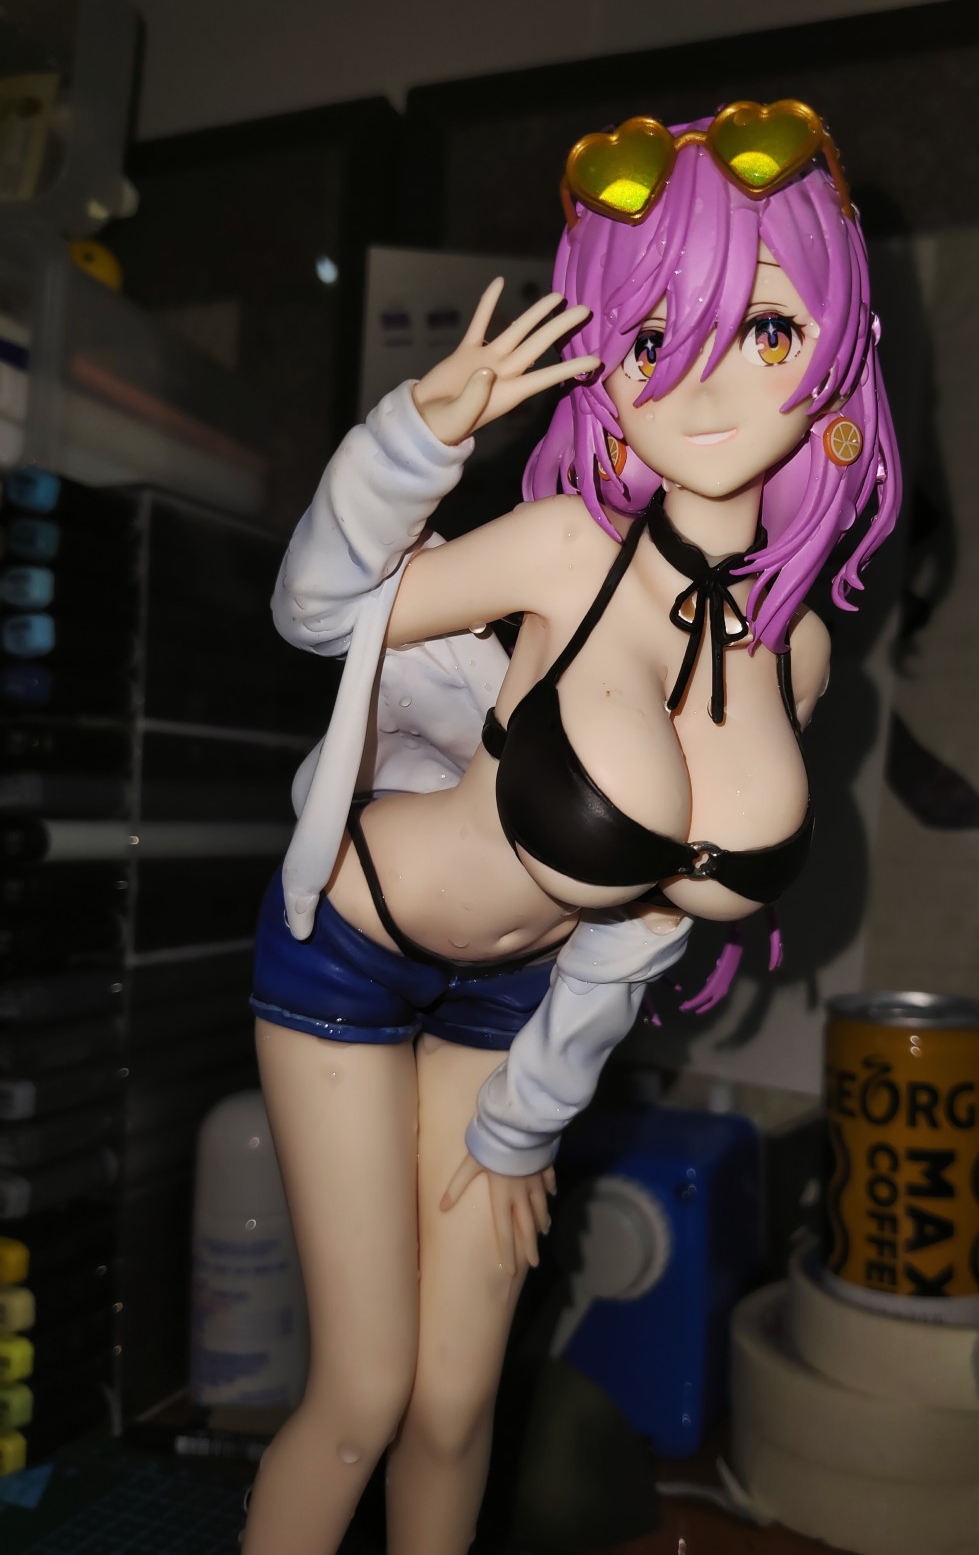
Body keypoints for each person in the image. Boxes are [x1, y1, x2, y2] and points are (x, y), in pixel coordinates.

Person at [242, 99, 900, 1555]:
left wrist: (528, 1118)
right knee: (362, 1392)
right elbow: (322, 618)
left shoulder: (793, 652)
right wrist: (415, 439)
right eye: (656, 338)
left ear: (837, 348)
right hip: (357, 943)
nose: (705, 384)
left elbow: (644, 925)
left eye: (766, 330)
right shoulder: (565, 553)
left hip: (518, 1008)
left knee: (456, 1404)